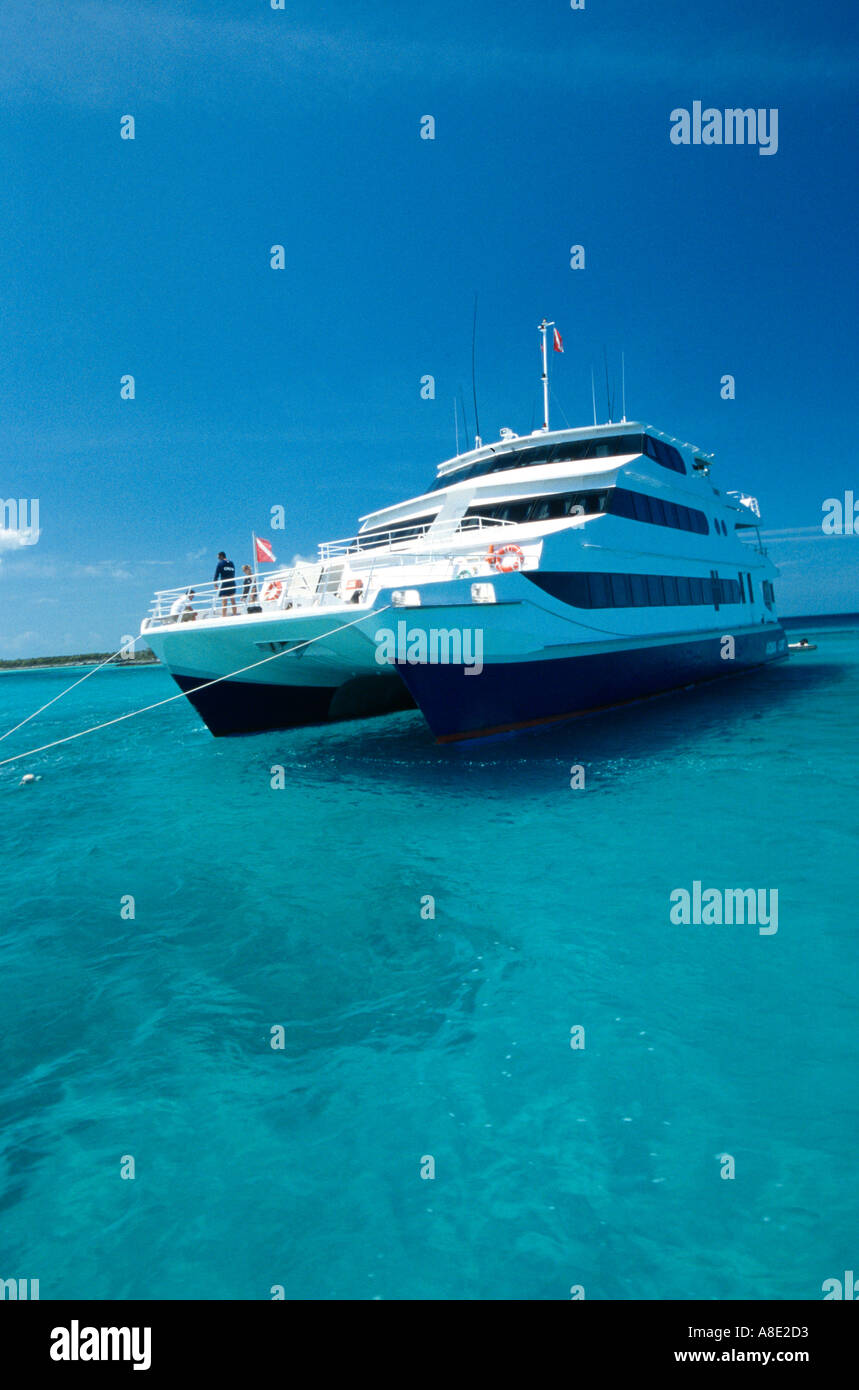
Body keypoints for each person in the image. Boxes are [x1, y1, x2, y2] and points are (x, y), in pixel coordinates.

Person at [214, 551, 238, 617]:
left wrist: (215, 584)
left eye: (218, 557)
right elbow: (233, 573)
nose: (218, 558)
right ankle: (235, 614)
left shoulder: (220, 563)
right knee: (233, 600)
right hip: (232, 583)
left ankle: (224, 616)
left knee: (224, 601)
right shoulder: (231, 563)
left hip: (224, 583)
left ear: (221, 556)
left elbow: (216, 574)